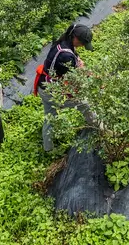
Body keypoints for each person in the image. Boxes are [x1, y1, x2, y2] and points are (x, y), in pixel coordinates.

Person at [34, 23, 93, 152]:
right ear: (75, 38)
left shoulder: (62, 41)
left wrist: (78, 61)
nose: (82, 46)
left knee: (50, 116)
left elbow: (74, 57)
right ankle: (99, 128)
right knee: (85, 103)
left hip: (44, 85)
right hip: (52, 90)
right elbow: (75, 79)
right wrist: (84, 70)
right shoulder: (65, 56)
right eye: (83, 43)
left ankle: (48, 149)